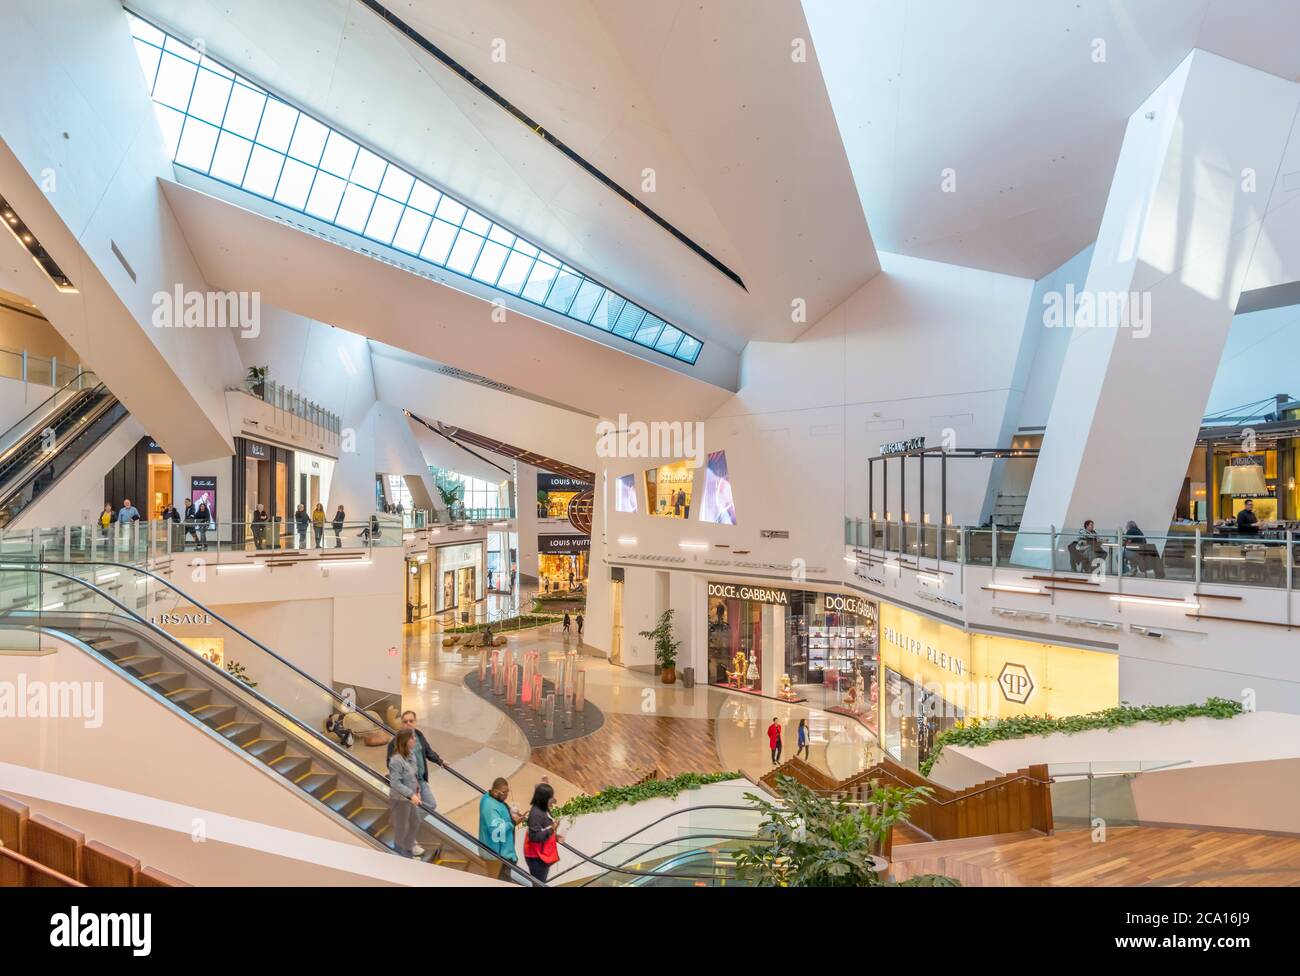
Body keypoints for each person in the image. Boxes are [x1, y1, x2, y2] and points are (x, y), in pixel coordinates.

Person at [387, 729, 424, 858]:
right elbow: (395, 783)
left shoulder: (411, 754)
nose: (414, 739)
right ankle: (401, 856)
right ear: (405, 741)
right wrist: (411, 794)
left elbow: (414, 775)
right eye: (412, 738)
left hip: (410, 798)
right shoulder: (396, 761)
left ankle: (408, 850)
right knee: (401, 828)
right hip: (400, 800)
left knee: (415, 822)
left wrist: (417, 792)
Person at [478, 777, 522, 878]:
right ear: (495, 791)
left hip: (503, 851)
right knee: (502, 880)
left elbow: (500, 815)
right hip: (499, 855)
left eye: (507, 792)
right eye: (504, 792)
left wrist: (510, 813)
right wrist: (513, 822)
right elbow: (495, 831)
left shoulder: (493, 798)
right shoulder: (490, 806)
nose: (506, 795)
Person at [523, 782, 561, 882]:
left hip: (542, 855)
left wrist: (555, 836)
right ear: (544, 798)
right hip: (536, 858)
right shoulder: (535, 814)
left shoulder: (544, 809)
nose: (553, 800)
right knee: (539, 884)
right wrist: (552, 829)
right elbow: (534, 837)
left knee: (541, 882)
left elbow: (544, 828)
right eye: (550, 797)